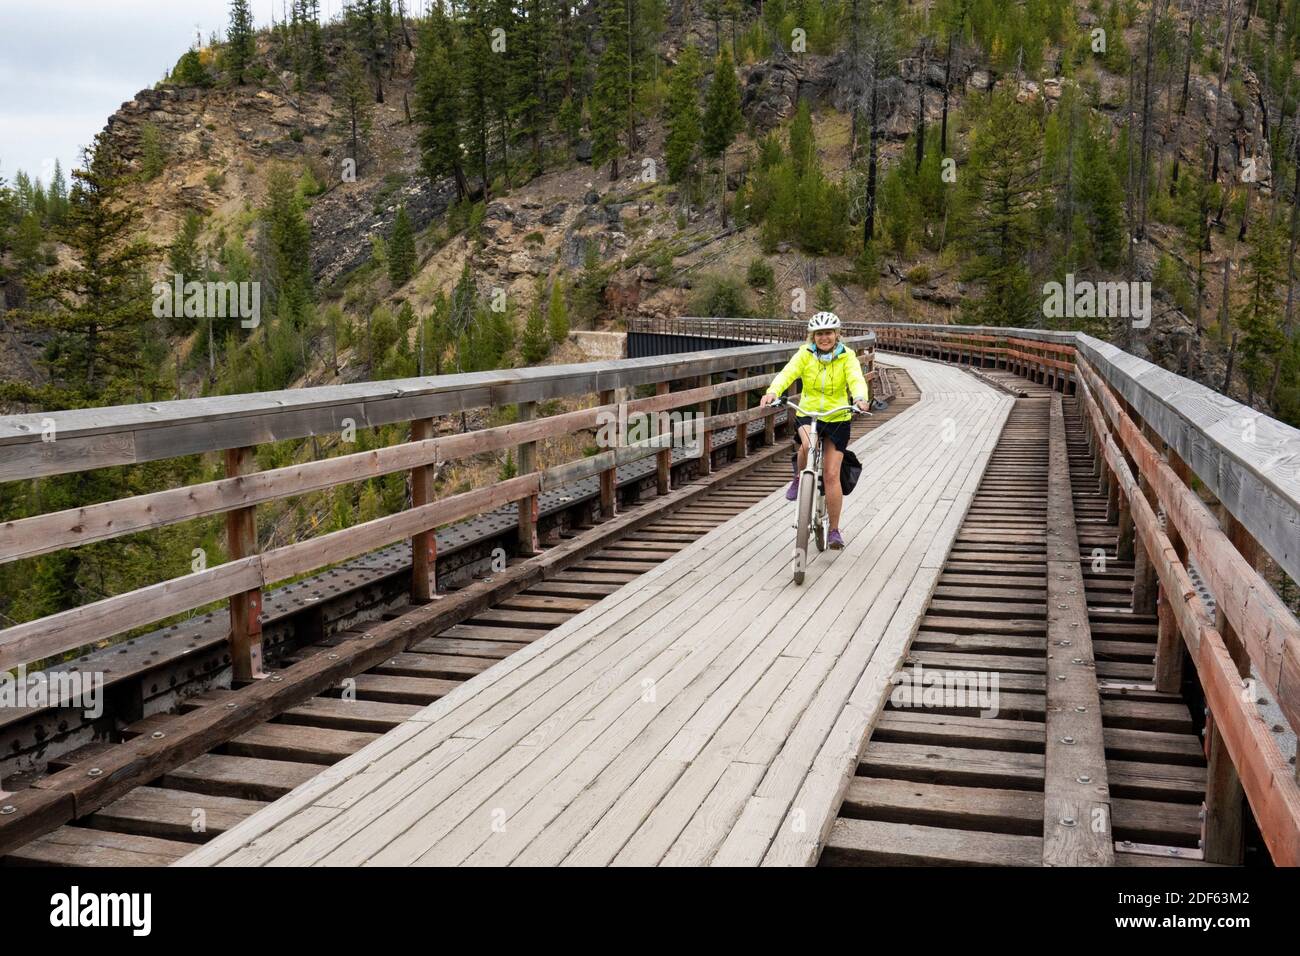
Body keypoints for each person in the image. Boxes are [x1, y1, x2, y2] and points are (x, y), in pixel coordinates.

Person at [758, 311, 869, 550]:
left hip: (838, 416)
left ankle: (834, 530)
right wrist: (773, 392)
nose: (824, 338)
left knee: (831, 474)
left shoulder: (847, 356)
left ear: (836, 334)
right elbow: (787, 373)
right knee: (807, 445)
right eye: (819, 334)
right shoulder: (804, 354)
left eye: (828, 333)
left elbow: (856, 379)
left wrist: (860, 398)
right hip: (808, 412)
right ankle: (799, 478)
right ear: (813, 336)